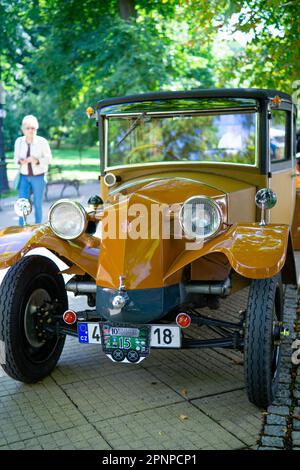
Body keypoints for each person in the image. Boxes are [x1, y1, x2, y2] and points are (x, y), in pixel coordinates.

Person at [14, 115, 52, 225]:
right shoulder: (19, 142)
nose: (30, 130)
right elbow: (15, 158)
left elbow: (49, 159)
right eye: (28, 128)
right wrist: (20, 161)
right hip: (24, 177)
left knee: (37, 203)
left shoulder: (42, 141)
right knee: (22, 204)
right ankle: (21, 227)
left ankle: (38, 226)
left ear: (36, 129)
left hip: (39, 177)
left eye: (33, 128)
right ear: (23, 129)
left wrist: (37, 160)